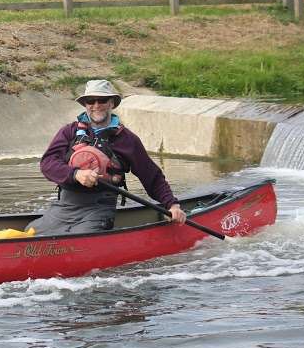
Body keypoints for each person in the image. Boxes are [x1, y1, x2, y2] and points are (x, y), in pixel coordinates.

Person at [29, 79, 187, 235]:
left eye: (102, 100)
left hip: (98, 210)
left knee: (79, 240)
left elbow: (152, 177)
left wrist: (172, 205)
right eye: (91, 101)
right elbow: (47, 163)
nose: (96, 105)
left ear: (112, 103)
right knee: (30, 232)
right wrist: (75, 174)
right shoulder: (68, 132)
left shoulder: (128, 140)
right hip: (64, 206)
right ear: (85, 104)